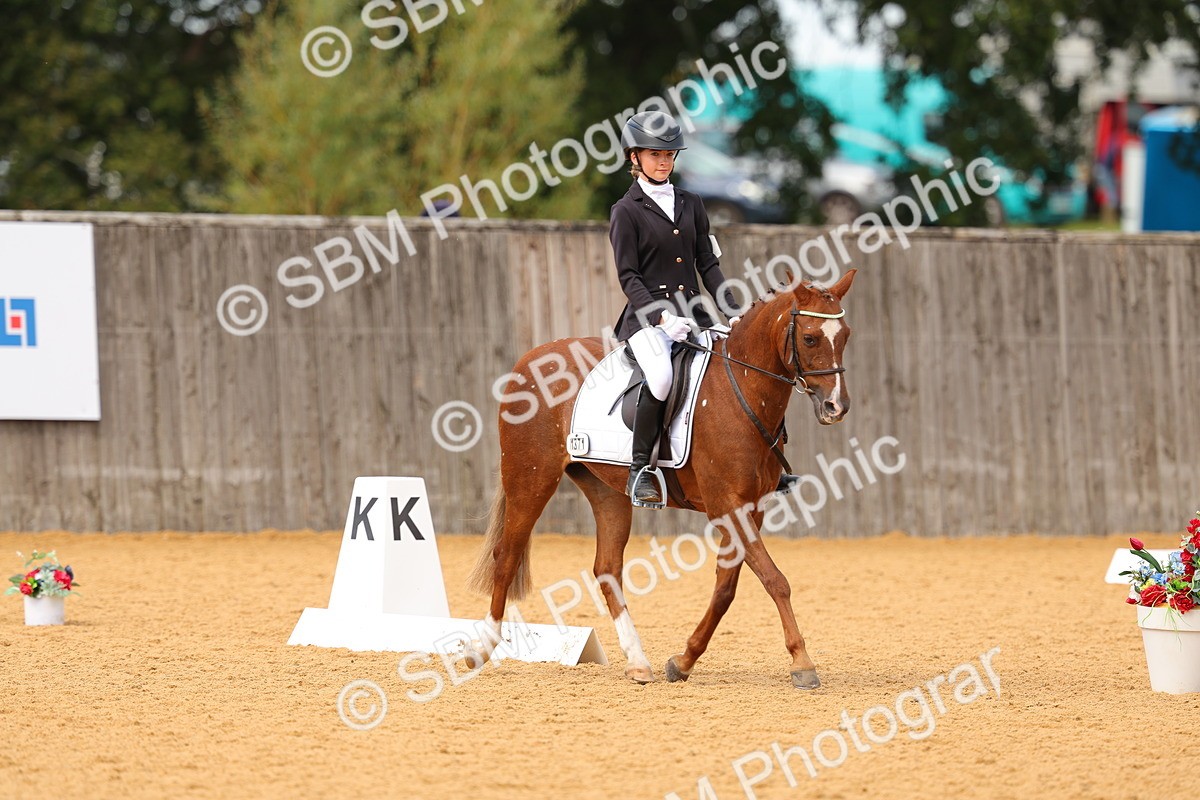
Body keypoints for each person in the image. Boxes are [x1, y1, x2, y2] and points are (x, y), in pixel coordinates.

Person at [609, 110, 741, 507]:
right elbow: (629, 276)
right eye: (655, 155)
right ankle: (641, 470)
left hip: (697, 315)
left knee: (738, 366)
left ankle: (761, 464)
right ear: (635, 158)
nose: (664, 162)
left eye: (669, 155)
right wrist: (662, 317)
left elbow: (707, 263)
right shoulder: (626, 211)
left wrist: (733, 311)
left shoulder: (691, 202)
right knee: (663, 377)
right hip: (649, 321)